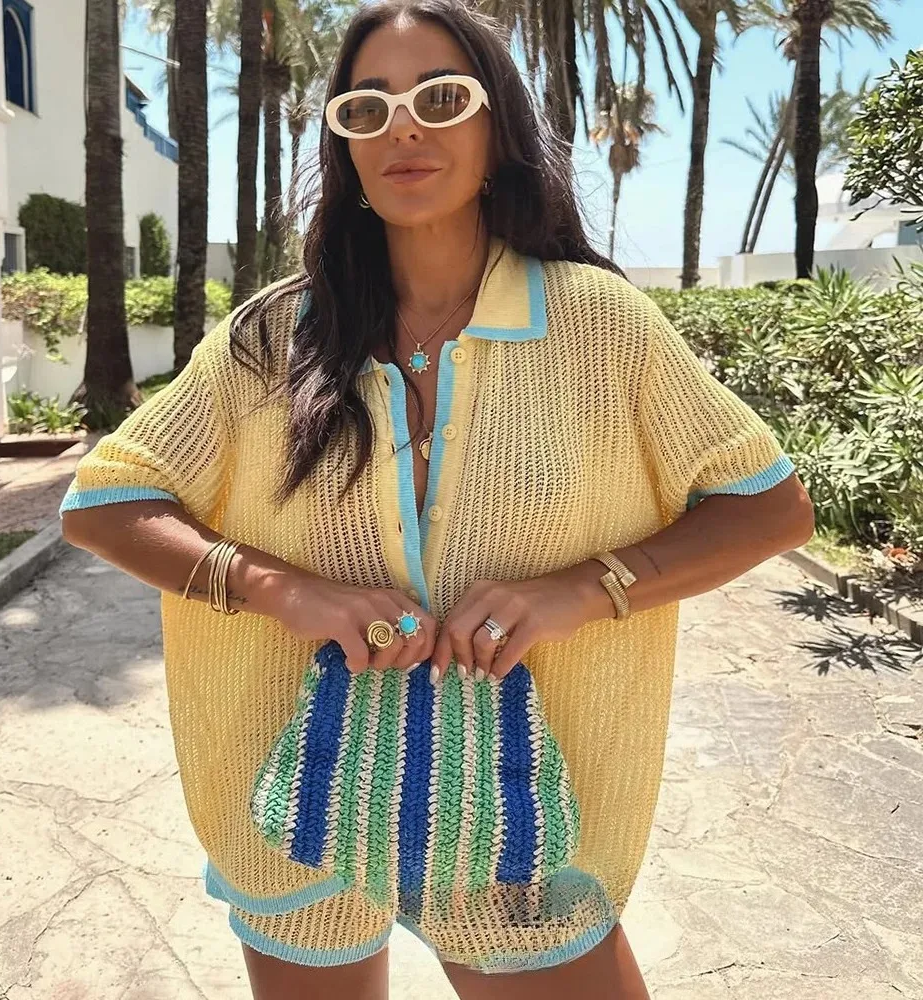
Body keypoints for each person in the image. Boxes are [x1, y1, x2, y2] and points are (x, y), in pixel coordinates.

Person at [59, 1, 815, 997]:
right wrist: (281, 588)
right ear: (345, 148)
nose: (402, 128)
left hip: (523, 816)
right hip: (295, 798)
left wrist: (584, 588)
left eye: (440, 99)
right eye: (366, 108)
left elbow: (769, 506)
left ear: (498, 130)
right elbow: (105, 500)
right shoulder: (274, 338)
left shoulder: (601, 327)